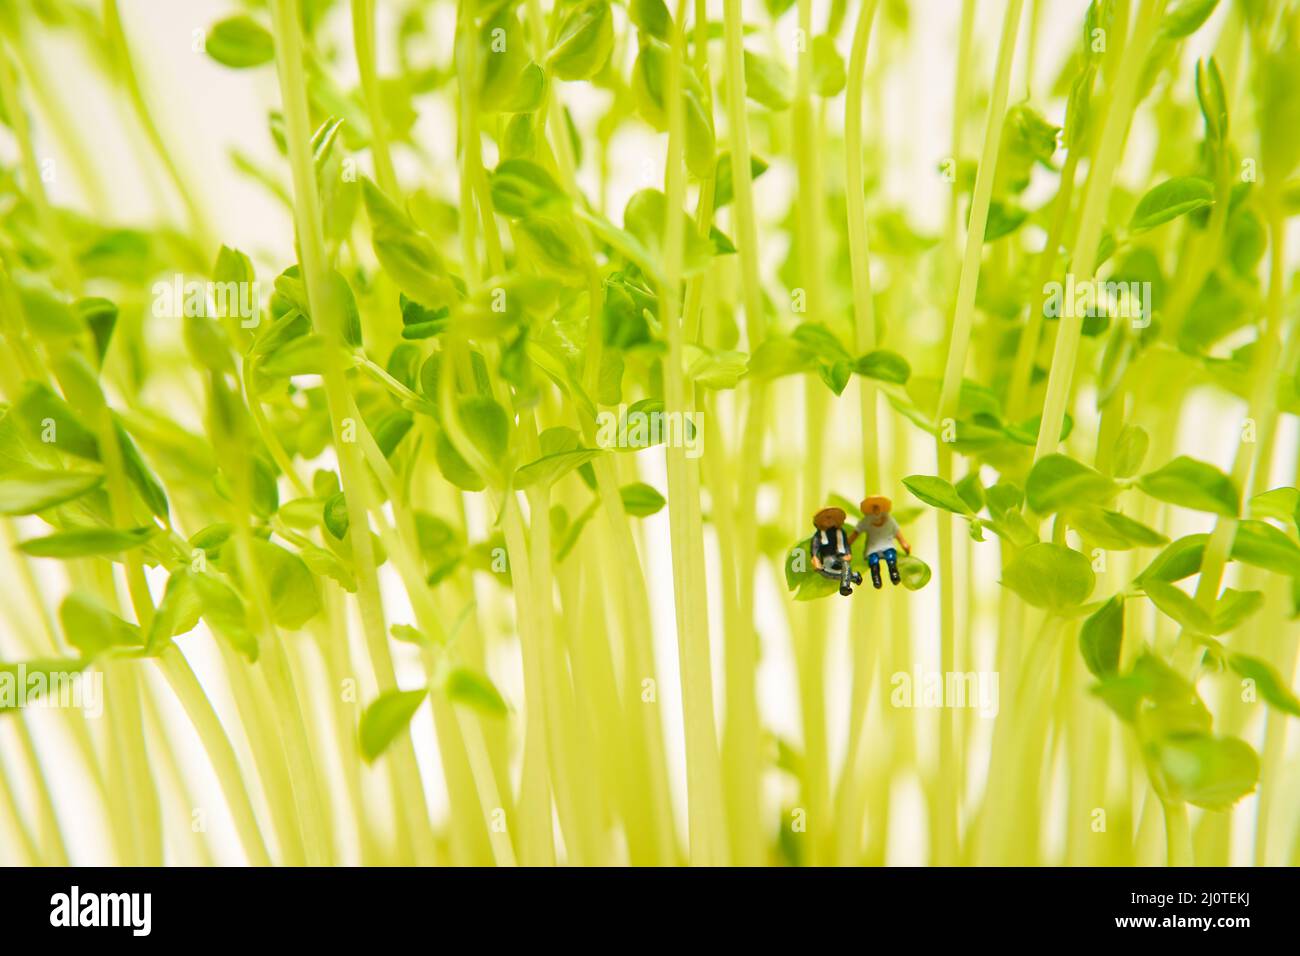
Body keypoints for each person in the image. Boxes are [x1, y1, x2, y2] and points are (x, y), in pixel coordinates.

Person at [849, 495, 910, 589]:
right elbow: (856, 532)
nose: (876, 510)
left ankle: (894, 574)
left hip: (887, 544)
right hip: (873, 546)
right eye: (874, 507)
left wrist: (903, 543)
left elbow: (896, 532)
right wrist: (848, 543)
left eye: (878, 507)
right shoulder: (867, 520)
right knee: (873, 560)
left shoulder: (889, 519)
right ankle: (876, 578)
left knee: (890, 556)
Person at [809, 507, 862, 596]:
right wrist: (815, 559)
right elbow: (815, 548)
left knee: (846, 565)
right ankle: (854, 576)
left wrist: (848, 553)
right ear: (820, 522)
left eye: (832, 518)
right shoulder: (818, 536)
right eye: (826, 518)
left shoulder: (841, 532)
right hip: (828, 558)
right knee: (826, 572)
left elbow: (845, 545)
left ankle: (844, 587)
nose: (829, 520)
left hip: (841, 556)